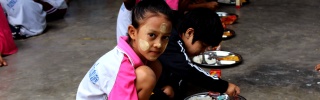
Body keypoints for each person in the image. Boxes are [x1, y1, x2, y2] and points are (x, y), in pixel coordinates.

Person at [76, 0, 173, 100]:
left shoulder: (133, 53)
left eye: (165, 37)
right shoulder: (122, 66)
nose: (159, 44)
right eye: (152, 35)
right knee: (146, 76)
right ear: (132, 32)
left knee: (155, 66)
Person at [155, 8, 240, 99]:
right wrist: (224, 86)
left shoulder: (178, 27)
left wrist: (172, 85)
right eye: (203, 45)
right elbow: (187, 69)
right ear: (190, 32)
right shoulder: (170, 38)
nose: (203, 51)